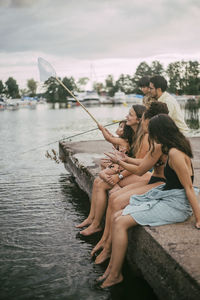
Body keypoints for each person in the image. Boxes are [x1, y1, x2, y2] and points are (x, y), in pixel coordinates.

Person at [98, 114, 200, 289]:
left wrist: (199, 219)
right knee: (117, 215)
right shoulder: (168, 148)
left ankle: (115, 275)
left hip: (176, 204)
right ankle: (111, 269)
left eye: (151, 132)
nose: (149, 135)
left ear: (159, 132)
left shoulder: (175, 153)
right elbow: (142, 166)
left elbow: (189, 188)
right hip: (168, 195)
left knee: (121, 222)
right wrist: (121, 160)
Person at [91, 102, 169, 264]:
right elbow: (140, 164)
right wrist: (121, 160)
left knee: (116, 198)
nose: (143, 124)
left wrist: (119, 169)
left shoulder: (155, 141)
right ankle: (104, 241)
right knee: (114, 197)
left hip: (159, 183)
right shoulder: (154, 138)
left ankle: (107, 246)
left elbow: (141, 169)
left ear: (147, 120)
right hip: (152, 178)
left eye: (145, 119)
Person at [76, 105, 150, 235]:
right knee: (98, 181)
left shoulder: (144, 138)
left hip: (143, 175)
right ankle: (92, 218)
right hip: (132, 170)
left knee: (102, 183)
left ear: (139, 119)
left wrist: (119, 176)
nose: (126, 116)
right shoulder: (133, 135)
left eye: (130, 114)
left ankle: (97, 224)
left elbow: (139, 167)